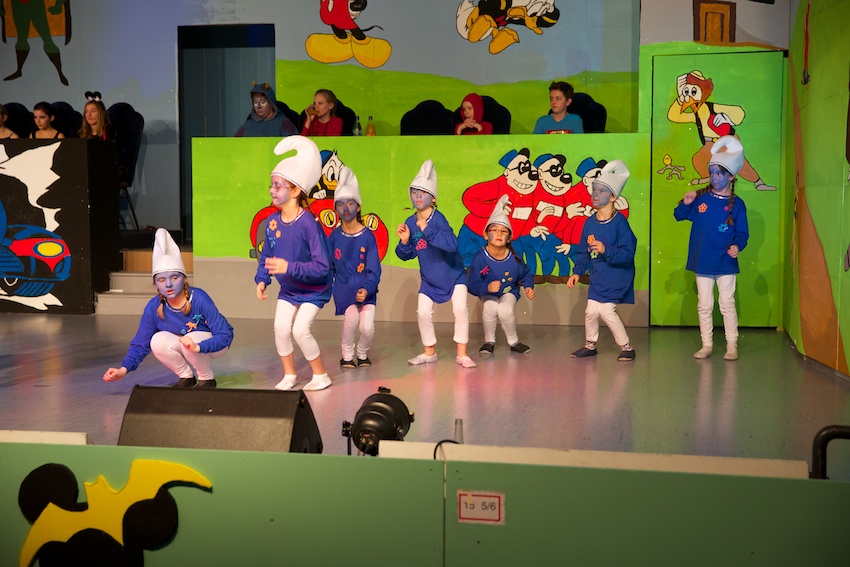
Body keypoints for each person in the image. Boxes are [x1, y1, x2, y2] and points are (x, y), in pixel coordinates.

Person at [103, 229, 234, 388]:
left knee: (189, 340)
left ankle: (207, 378)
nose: (169, 284)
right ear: (156, 284)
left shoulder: (199, 298)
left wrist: (198, 347)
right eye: (162, 280)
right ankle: (186, 377)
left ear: (184, 279)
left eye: (175, 277)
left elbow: (224, 335)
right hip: (189, 344)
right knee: (157, 340)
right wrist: (123, 370)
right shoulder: (154, 306)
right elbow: (140, 342)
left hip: (213, 344)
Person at [255, 135, 334, 391]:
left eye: (278, 186)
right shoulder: (272, 223)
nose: (272, 190)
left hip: (314, 289)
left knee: (300, 330)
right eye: (272, 185)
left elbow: (322, 267)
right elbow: (267, 256)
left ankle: (320, 375)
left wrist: (289, 267)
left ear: (295, 191)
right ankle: (289, 375)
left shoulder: (309, 224)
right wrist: (262, 279)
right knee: (280, 328)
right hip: (289, 290)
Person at [674, 135, 749, 361]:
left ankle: (731, 345)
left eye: (719, 173)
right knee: (704, 305)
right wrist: (686, 203)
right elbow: (679, 215)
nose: (714, 178)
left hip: (725, 261)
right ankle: (706, 345)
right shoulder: (701, 199)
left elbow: (742, 234)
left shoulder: (738, 205)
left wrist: (737, 246)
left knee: (727, 303)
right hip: (703, 260)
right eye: (712, 173)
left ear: (731, 176)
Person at [396, 159, 477, 368]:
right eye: (414, 192)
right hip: (429, 279)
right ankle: (429, 352)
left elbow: (451, 244)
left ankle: (462, 354)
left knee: (460, 309)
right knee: (423, 313)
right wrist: (404, 242)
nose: (418, 196)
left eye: (423, 192)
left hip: (454, 275)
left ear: (433, 198)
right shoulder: (410, 222)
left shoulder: (438, 219)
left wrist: (427, 229)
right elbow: (407, 254)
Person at [567, 160, 636, 361]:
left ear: (613, 197)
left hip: (617, 277)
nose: (595, 194)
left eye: (602, 191)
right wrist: (577, 272)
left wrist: (606, 250)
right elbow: (583, 252)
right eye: (594, 190)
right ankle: (590, 345)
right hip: (599, 277)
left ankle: (627, 347)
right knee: (590, 311)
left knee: (606, 311)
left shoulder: (620, 222)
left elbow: (628, 254)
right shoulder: (589, 223)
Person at [467, 194, 535, 356]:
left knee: (505, 310)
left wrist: (528, 286)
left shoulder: (514, 258)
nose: (498, 234)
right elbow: (472, 285)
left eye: (503, 231)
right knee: (490, 307)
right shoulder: (480, 257)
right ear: (486, 234)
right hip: (488, 292)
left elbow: (526, 273)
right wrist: (487, 287)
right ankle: (489, 341)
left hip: (508, 291)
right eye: (494, 230)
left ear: (509, 237)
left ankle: (514, 342)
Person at [328, 165, 381, 368]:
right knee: (350, 320)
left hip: (367, 290)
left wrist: (367, 289)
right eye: (340, 204)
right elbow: (327, 265)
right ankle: (347, 355)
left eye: (350, 203)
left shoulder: (368, 237)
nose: (345, 208)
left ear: (358, 207)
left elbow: (374, 269)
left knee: (367, 328)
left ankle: (362, 353)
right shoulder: (334, 236)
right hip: (344, 289)